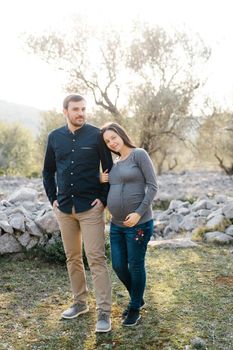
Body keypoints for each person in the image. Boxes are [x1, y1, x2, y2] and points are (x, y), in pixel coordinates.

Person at [42, 94, 113, 333]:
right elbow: (47, 171)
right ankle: (80, 302)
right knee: (72, 258)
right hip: (64, 208)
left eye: (83, 109)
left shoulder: (96, 135)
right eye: (76, 109)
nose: (81, 113)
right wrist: (53, 198)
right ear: (65, 111)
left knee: (96, 259)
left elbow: (109, 169)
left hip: (90, 209)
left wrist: (102, 200)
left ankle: (104, 312)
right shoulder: (54, 137)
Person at [100, 122, 157, 327]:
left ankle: (134, 307)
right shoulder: (115, 163)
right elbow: (112, 188)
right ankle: (137, 296)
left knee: (135, 264)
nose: (112, 142)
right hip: (116, 225)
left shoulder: (138, 154)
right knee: (117, 265)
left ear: (121, 134)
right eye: (107, 141)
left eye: (113, 137)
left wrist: (138, 213)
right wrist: (101, 180)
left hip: (139, 223)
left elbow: (152, 186)